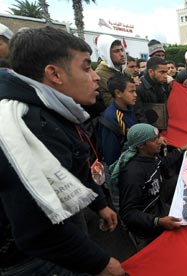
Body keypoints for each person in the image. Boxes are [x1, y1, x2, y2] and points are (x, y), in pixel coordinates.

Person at [0, 26, 124, 276]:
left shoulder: (53, 109)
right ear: (55, 74)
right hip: (33, 261)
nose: (96, 77)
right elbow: (38, 231)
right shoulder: (27, 127)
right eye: (87, 68)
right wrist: (102, 264)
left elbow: (76, 163)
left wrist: (99, 203)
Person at [110, 123, 187, 250]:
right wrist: (158, 221)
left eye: (158, 137)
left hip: (157, 201)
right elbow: (128, 213)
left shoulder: (152, 156)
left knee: (182, 178)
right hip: (148, 222)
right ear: (142, 145)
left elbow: (164, 164)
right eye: (154, 140)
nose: (160, 141)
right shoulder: (133, 174)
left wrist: (180, 150)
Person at [99, 74, 138, 166]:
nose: (135, 95)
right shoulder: (112, 118)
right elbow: (111, 154)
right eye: (131, 91)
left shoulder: (130, 108)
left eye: (135, 91)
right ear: (118, 93)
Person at [134, 56, 170, 128]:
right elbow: (140, 116)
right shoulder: (139, 89)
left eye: (166, 72)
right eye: (162, 72)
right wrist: (153, 135)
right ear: (150, 71)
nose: (166, 76)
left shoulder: (163, 84)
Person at [95, 34, 127, 107]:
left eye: (122, 50)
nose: (122, 54)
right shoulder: (100, 74)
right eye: (116, 51)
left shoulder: (125, 70)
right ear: (106, 54)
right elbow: (110, 103)